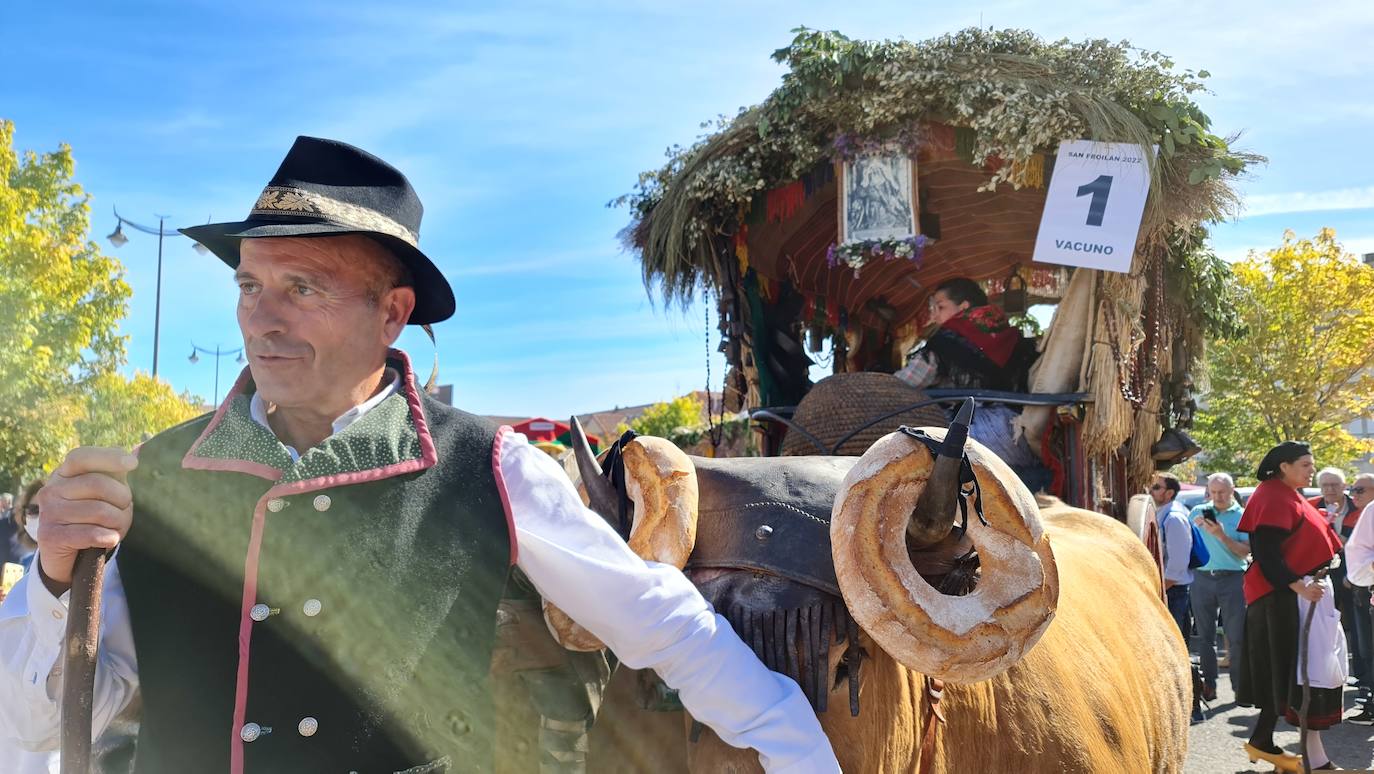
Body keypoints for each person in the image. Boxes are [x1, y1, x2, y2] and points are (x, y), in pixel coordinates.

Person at [0, 137, 838, 774]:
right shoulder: (158, 474)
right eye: (250, 287)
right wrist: (51, 582)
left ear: (391, 314)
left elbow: (664, 627)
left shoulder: (488, 466)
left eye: (303, 288)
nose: (262, 319)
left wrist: (798, 752)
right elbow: (33, 729)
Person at [1235, 442, 1345, 772]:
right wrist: (1299, 585)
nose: (1311, 469)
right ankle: (1296, 753)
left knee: (1286, 672)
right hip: (1283, 596)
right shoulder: (1271, 494)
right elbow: (1266, 552)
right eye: (1305, 464)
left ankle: (1263, 741)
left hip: (1298, 593)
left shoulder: (1287, 493)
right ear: (1283, 466)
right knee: (1287, 672)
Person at [1189, 472, 1249, 702]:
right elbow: (1188, 545)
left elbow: (1246, 551)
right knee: (1204, 637)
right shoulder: (1197, 512)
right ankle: (1209, 685)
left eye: (1222, 492)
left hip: (1232, 578)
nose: (1217, 496)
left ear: (1232, 490)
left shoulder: (1242, 515)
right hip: (1202, 578)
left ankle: (1239, 688)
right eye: (1212, 492)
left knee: (1236, 637)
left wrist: (1221, 535)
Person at [1343, 472, 1374, 724]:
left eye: (1360, 490)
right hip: (1366, 591)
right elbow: (1358, 559)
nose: (1355, 495)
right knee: (1367, 650)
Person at [1151, 473, 1194, 636]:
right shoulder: (1165, 513)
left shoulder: (1174, 518)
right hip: (1169, 589)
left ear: (1169, 493)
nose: (1150, 490)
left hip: (1173, 591)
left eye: (1156, 487)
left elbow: (1178, 564)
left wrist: (1160, 589)